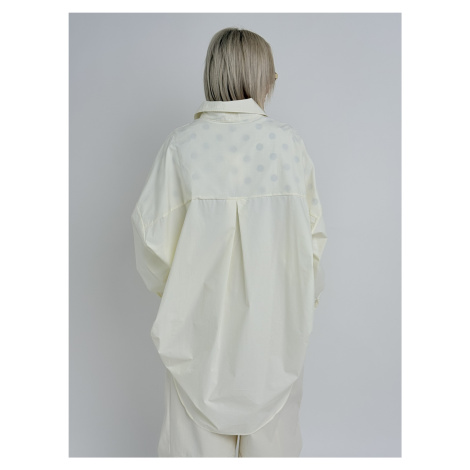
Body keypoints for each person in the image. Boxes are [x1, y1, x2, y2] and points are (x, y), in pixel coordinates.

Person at [131, 26, 328, 457]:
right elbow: (314, 243)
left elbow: (150, 239)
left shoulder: (182, 147)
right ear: (261, 77)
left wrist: (184, 294)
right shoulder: (288, 146)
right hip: (276, 338)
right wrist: (296, 301)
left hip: (198, 341)